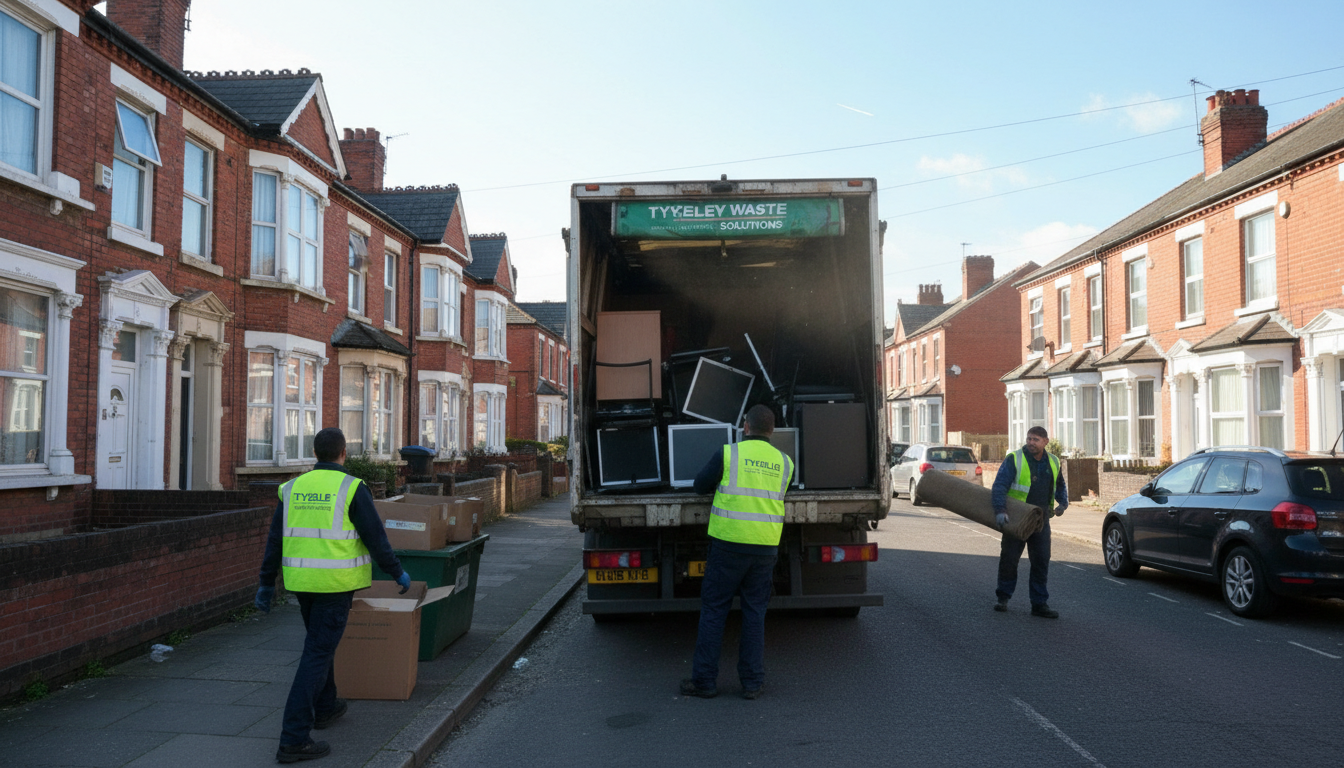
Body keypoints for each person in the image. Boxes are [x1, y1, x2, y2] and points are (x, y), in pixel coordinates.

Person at [254, 427, 411, 764]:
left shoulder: (292, 488)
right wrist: (397, 571)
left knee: (319, 646)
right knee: (316, 654)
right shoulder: (351, 487)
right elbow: (375, 537)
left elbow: (274, 540)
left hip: (301, 583)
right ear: (343, 453)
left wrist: (267, 582)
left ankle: (326, 708)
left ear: (315, 452)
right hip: (335, 585)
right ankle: (293, 738)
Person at [681, 404, 793, 700]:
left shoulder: (728, 454)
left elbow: (699, 487)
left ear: (745, 427)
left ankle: (704, 682)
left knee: (715, 610)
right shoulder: (785, 462)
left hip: (728, 545)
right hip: (765, 548)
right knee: (755, 613)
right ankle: (752, 683)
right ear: (772, 430)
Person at [990, 425, 1068, 618]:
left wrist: (1063, 502)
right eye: (1029, 438)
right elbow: (999, 486)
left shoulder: (1053, 461)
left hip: (1040, 521)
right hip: (1016, 519)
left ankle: (1039, 604)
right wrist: (1000, 510)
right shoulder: (1014, 458)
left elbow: (1059, 485)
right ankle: (1003, 598)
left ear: (1045, 442)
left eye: (1035, 440)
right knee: (1009, 558)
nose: (1031, 442)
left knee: (1041, 561)